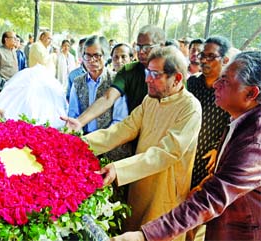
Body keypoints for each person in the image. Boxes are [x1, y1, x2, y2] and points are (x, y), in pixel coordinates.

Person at [112, 51, 261, 241]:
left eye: (225, 81)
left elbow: (212, 197)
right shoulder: (241, 119)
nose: (216, 84)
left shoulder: (254, 140)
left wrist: (145, 236)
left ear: (251, 93)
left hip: (242, 231)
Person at [87, 46, 202, 237]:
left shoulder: (190, 108)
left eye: (155, 74)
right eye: (148, 72)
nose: (147, 79)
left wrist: (118, 169)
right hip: (138, 183)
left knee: (154, 234)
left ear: (178, 78)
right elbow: (124, 128)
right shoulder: (150, 99)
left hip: (164, 191)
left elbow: (166, 152)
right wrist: (80, 143)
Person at [63, 25, 165, 130]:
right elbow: (108, 98)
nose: (141, 52)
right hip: (132, 135)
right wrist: (79, 123)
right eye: (138, 47)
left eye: (147, 47)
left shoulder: (172, 72)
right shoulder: (127, 71)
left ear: (162, 46)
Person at [68, 36, 130, 161]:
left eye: (97, 55)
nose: (92, 60)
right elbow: (73, 114)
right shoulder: (77, 82)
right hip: (83, 147)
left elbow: (119, 120)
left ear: (106, 56)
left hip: (111, 147)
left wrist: (97, 141)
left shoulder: (116, 81)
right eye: (88, 56)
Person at [187, 36, 231, 190]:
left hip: (210, 158)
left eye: (211, 56)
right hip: (186, 152)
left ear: (225, 60)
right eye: (202, 56)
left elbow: (232, 125)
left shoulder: (230, 90)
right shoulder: (192, 83)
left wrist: (219, 149)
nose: (204, 60)